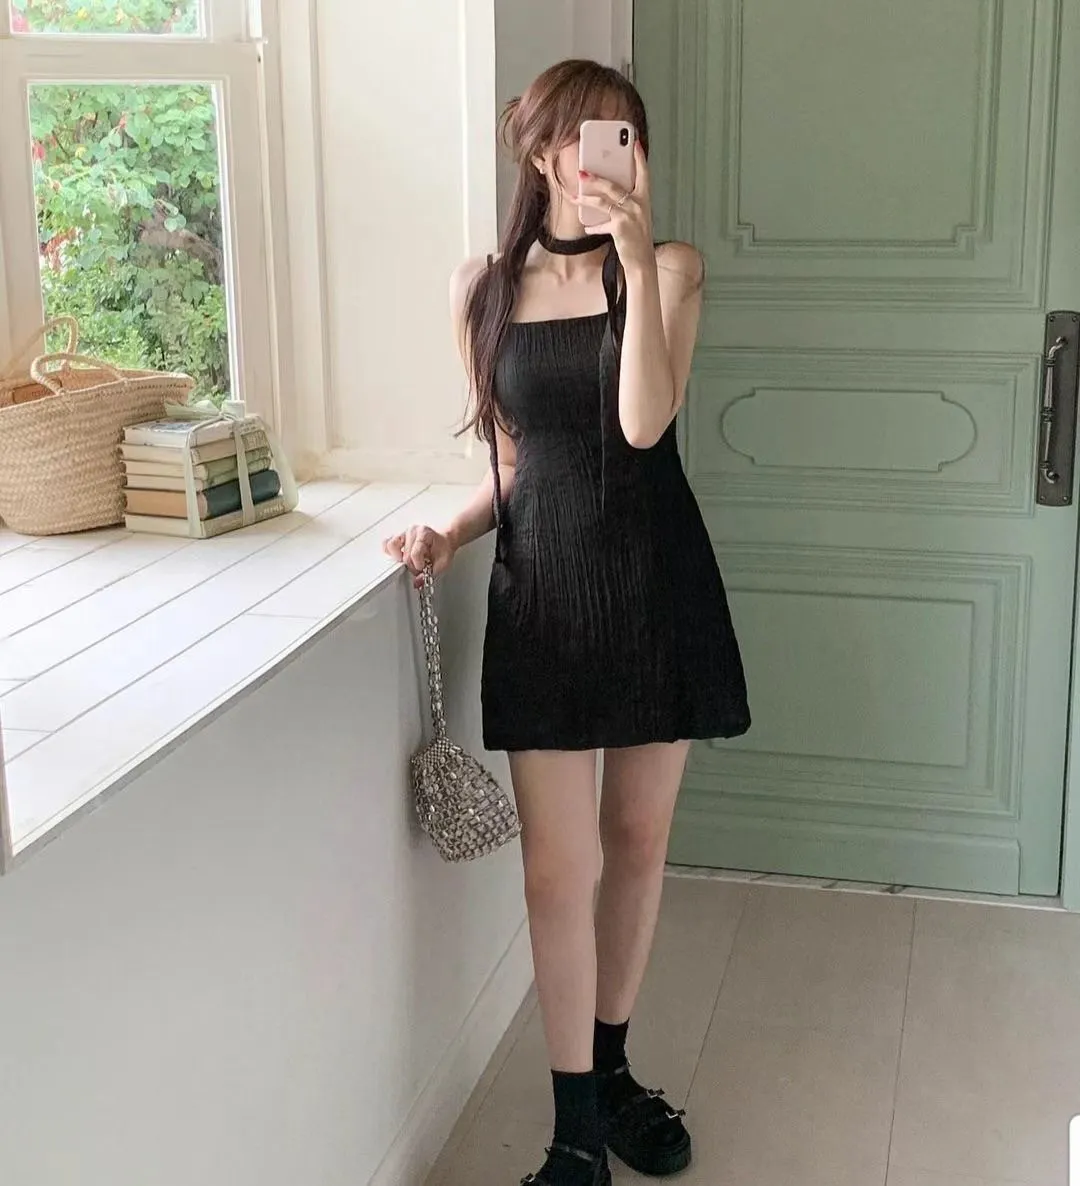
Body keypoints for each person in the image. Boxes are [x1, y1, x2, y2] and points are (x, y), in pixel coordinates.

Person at [384, 59, 750, 1186]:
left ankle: (615, 1071)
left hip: (655, 585)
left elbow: (641, 427)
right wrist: (451, 530)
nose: (606, 158)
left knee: (636, 841)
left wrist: (632, 261)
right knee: (558, 869)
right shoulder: (482, 291)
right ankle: (574, 1133)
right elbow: (514, 467)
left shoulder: (672, 269)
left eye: (625, 137)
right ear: (540, 150)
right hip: (542, 598)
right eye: (586, 137)